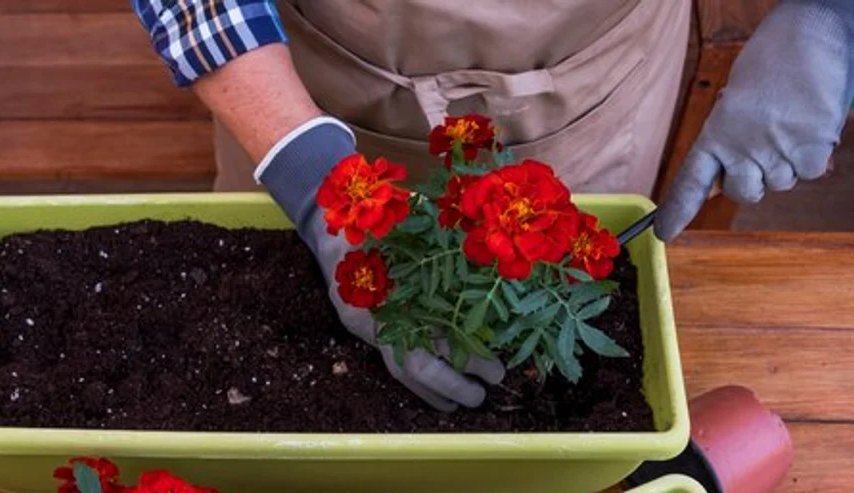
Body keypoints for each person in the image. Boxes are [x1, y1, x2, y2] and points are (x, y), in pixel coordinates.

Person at [131, 0, 853, 409]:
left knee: (563, 324)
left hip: (594, 65)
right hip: (314, 70)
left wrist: (826, 20)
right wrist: (312, 181)